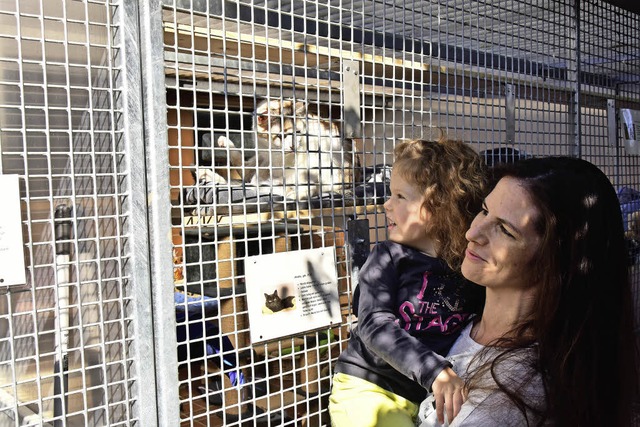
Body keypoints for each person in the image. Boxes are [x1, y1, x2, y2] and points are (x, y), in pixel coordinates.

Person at [417, 156, 638, 426]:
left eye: (505, 231)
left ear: (554, 261)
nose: (472, 233)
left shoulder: (509, 397)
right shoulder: (454, 312)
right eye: (485, 211)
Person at [329, 137, 487, 427]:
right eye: (390, 194)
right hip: (370, 389)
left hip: (424, 396)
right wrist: (434, 371)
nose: (386, 204)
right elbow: (374, 325)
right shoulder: (388, 257)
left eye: (400, 196)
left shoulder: (466, 268)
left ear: (441, 207)